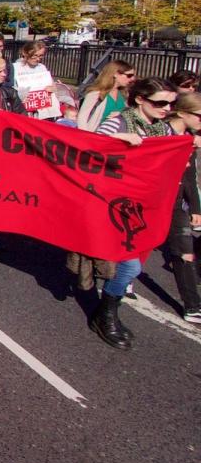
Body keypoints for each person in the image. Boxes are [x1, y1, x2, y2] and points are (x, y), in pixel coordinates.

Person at [89, 79, 178, 349]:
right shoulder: (118, 122)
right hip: (112, 202)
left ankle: (107, 311)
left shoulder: (165, 129)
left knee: (135, 258)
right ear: (140, 99)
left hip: (144, 204)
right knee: (131, 264)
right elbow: (89, 145)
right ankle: (106, 315)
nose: (166, 108)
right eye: (159, 103)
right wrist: (118, 139)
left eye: (170, 104)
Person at [166, 91, 201, 323]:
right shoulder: (161, 133)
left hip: (176, 203)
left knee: (185, 252)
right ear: (182, 112)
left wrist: (196, 208)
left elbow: (189, 175)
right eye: (199, 115)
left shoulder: (189, 137)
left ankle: (192, 305)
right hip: (152, 201)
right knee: (135, 251)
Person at [79, 61, 137, 132]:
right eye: (129, 75)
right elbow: (82, 118)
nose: (132, 79)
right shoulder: (95, 94)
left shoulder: (124, 94)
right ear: (115, 74)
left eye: (133, 76)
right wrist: (86, 138)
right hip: (97, 136)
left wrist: (122, 114)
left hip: (119, 137)